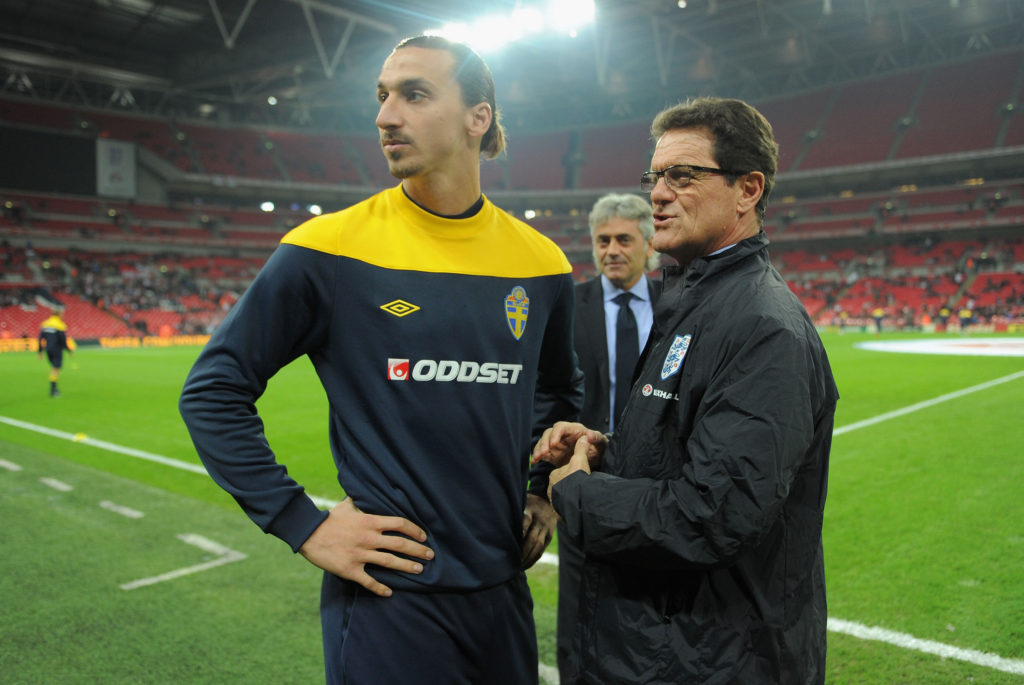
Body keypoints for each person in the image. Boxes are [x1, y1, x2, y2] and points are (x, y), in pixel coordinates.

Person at [180, 35, 582, 685]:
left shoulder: (543, 263)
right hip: (388, 600)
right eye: (381, 96)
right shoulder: (327, 249)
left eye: (414, 94)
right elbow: (213, 389)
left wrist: (541, 491)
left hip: (502, 592)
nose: (385, 115)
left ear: (478, 117)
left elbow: (560, 391)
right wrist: (302, 523)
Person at [534, 97, 839, 684]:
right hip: (671, 646)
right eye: (656, 176)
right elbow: (682, 450)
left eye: (683, 176)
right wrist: (605, 451)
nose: (658, 193)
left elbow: (709, 516)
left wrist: (577, 492)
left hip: (714, 657)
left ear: (748, 189)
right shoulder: (695, 298)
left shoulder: (761, 327)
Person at [557, 192, 662, 680]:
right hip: (586, 471)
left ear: (649, 243)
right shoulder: (569, 306)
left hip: (656, 476)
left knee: (649, 599)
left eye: (623, 238)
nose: (612, 249)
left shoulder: (676, 304)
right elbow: (549, 392)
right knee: (579, 599)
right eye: (602, 240)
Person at [38, 303, 72, 397]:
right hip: (57, 349)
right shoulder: (60, 325)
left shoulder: (45, 324)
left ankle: (53, 389)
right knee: (55, 369)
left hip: (48, 349)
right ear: (60, 314)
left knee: (54, 368)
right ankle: (53, 390)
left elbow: (41, 338)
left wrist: (40, 351)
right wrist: (69, 350)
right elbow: (63, 340)